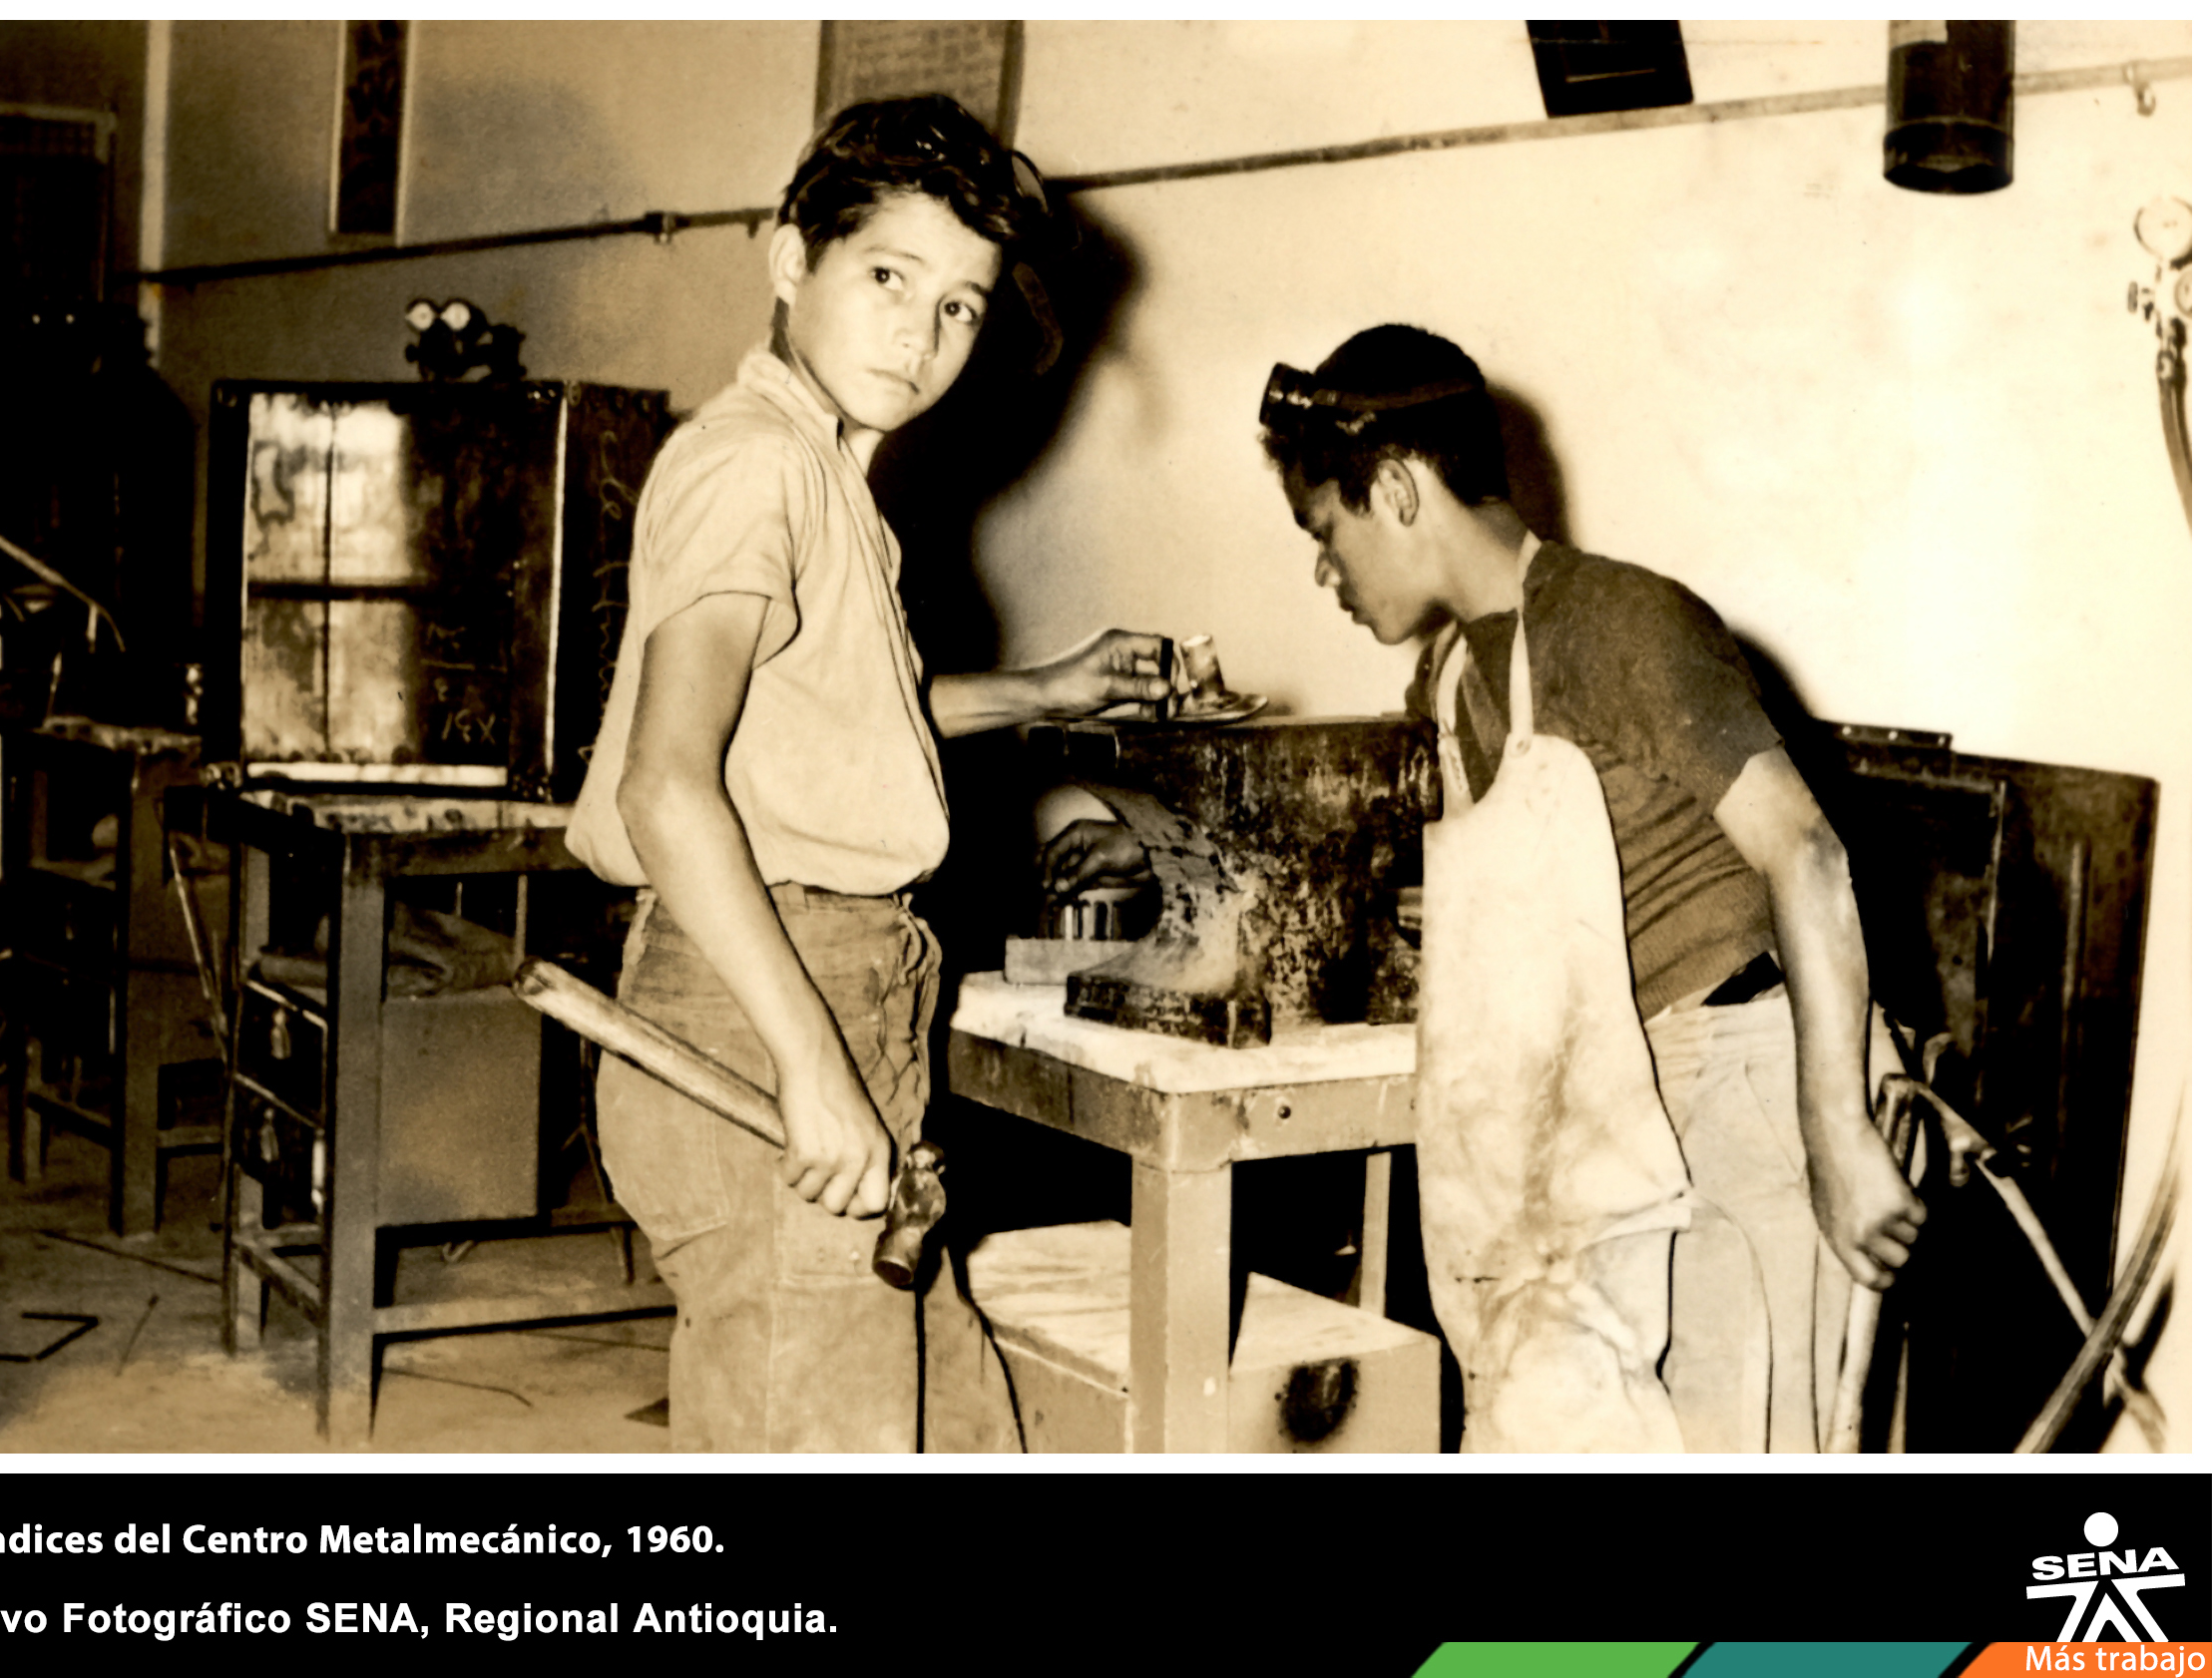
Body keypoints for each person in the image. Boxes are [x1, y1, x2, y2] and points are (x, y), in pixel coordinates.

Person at [564, 96, 1171, 1453]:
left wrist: (1043, 689)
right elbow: (669, 785)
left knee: (952, 1427)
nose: (919, 334)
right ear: (792, 259)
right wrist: (813, 1066)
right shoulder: (754, 465)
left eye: (958, 307)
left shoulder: (826, 477)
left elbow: (827, 725)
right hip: (766, 995)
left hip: (835, 987)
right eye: (889, 278)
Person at [1248, 324, 1927, 1452]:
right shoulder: (1456, 675)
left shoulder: (1618, 619)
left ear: (1399, 491)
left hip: (1741, 1091)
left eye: (1326, 532)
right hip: (1600, 1113)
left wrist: (1838, 1133)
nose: (1325, 571)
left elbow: (1805, 852)